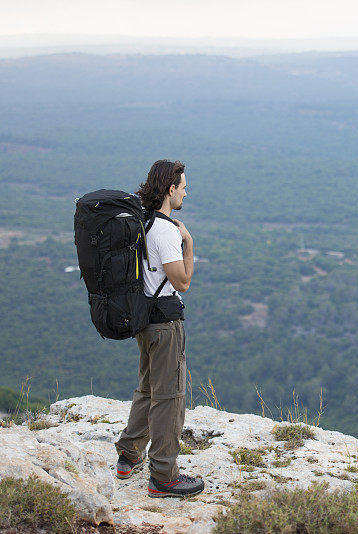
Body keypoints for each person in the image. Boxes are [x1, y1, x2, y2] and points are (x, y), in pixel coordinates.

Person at [114, 159, 205, 498]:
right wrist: (189, 243)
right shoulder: (167, 230)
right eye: (183, 187)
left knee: (148, 389)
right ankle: (164, 476)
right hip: (165, 325)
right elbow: (182, 281)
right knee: (169, 397)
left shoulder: (142, 222)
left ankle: (128, 455)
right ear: (170, 189)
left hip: (143, 321)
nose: (186, 192)